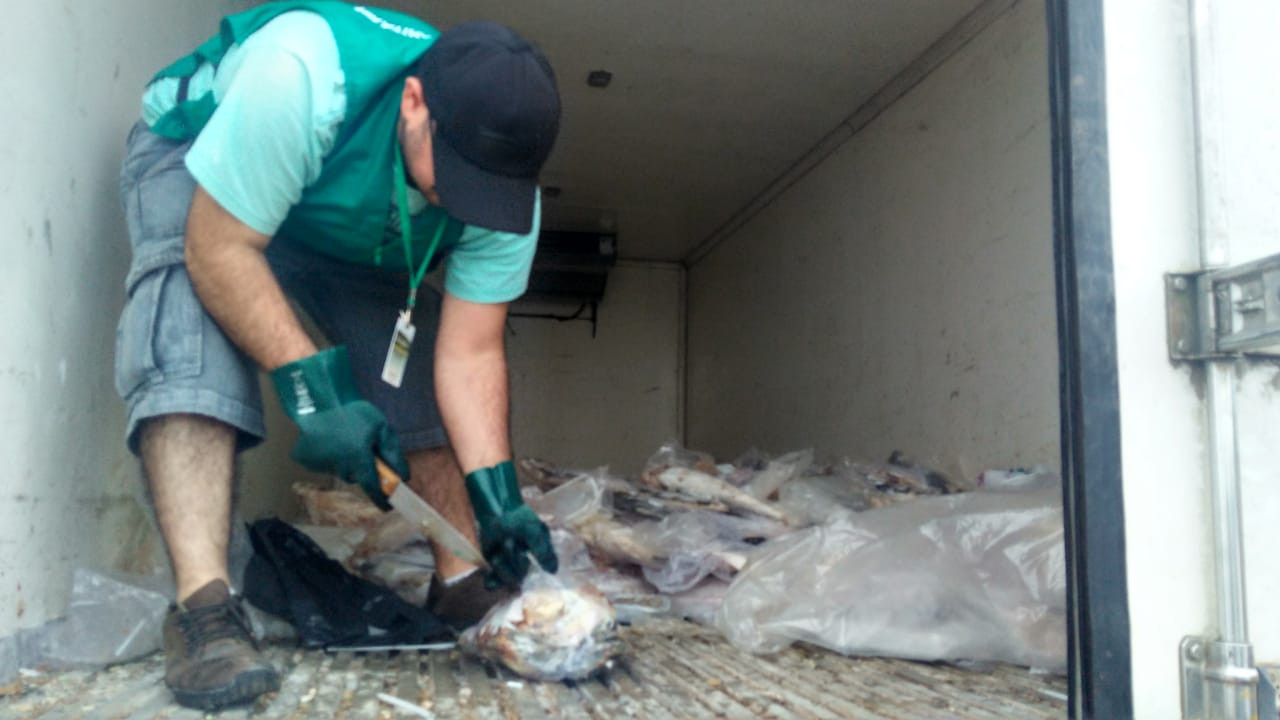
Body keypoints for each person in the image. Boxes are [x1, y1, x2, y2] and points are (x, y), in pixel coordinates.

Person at [113, 1, 560, 710]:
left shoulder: (503, 199)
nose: (468, 201)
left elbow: (471, 354)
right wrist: (317, 396)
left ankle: (461, 581)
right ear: (414, 104)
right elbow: (219, 250)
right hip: (208, 166)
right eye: (457, 173)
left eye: (488, 190)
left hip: (347, 218)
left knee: (413, 366)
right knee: (188, 334)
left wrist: (498, 496)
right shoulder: (300, 73)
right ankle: (205, 612)